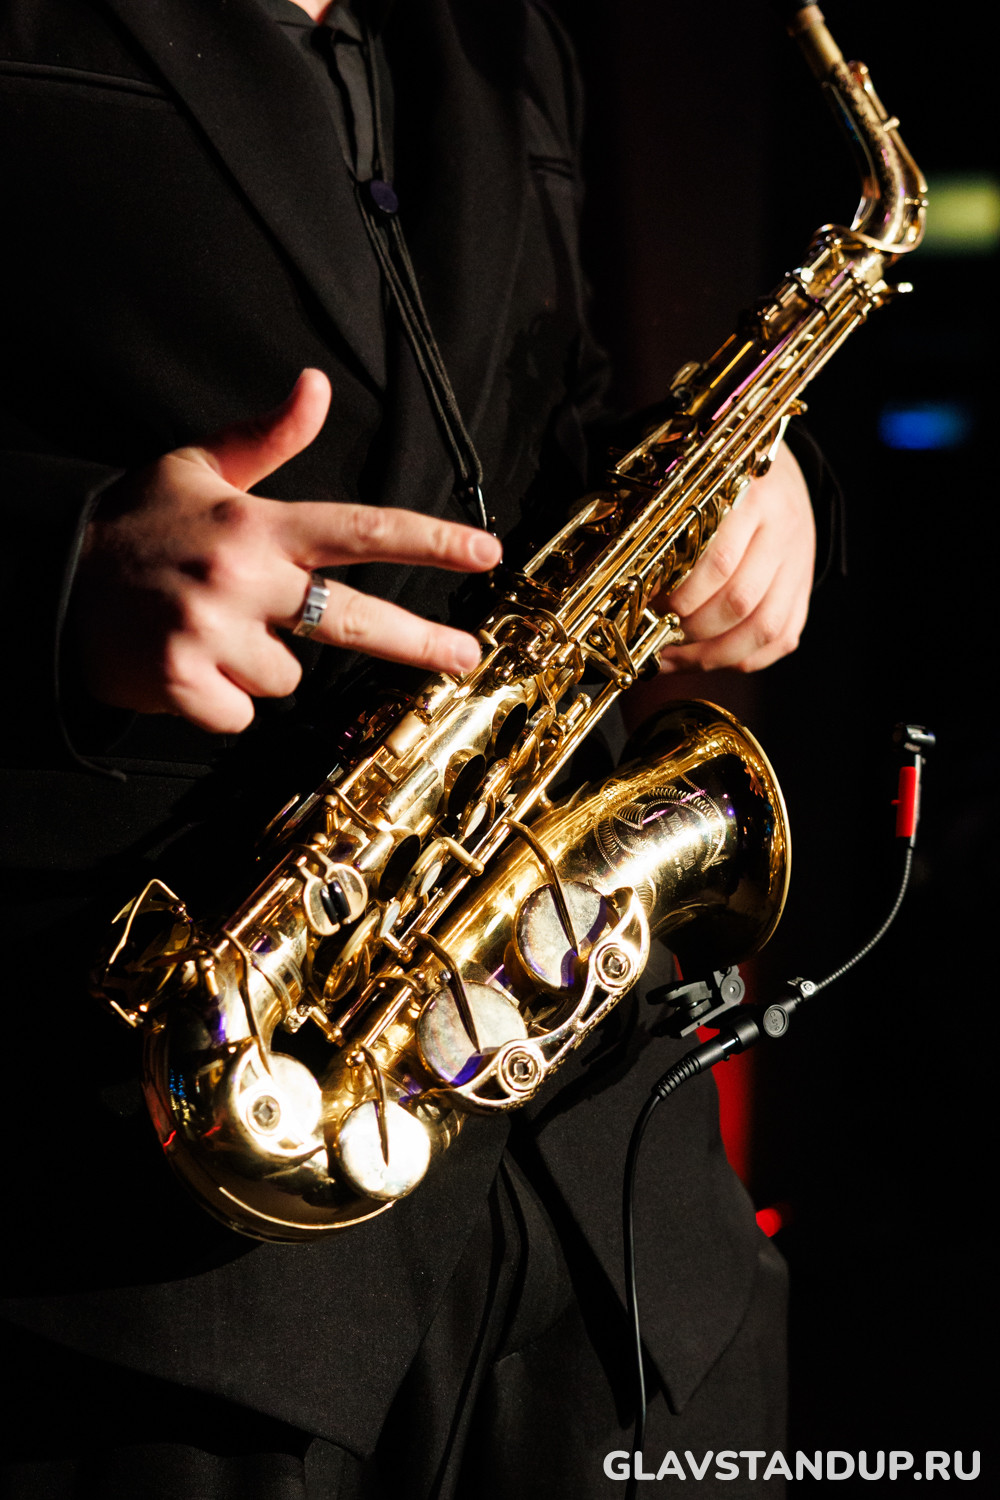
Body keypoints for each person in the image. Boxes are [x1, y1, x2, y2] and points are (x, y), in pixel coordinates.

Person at [0, 1, 825, 1494]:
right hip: (155, 1234)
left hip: (607, 1206)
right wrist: (64, 575)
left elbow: (548, 414)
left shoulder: (505, 33)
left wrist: (756, 488)